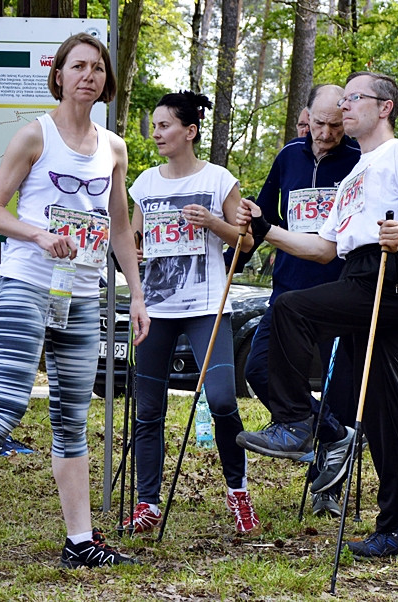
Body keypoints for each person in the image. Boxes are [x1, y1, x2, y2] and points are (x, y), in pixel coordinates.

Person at [0, 33, 149, 586]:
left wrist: (137, 294)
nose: (89, 76)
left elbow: (121, 227)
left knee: (72, 419)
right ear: (60, 75)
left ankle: (79, 541)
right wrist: (40, 235)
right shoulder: (35, 134)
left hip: (82, 292)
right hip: (28, 284)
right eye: (79, 66)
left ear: (106, 81)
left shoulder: (114, 148)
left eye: (98, 69)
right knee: (3, 409)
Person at [236, 71, 398, 560]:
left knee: (289, 308)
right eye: (342, 100)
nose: (344, 108)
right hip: (356, 274)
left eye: (354, 99)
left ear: (384, 107)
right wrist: (266, 229)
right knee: (381, 412)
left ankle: (294, 421)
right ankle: (397, 528)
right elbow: (323, 248)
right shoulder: (352, 177)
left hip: (390, 273)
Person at [122, 91, 258, 535]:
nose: (157, 133)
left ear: (190, 131)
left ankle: (237, 491)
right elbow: (134, 241)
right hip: (157, 308)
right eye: (156, 126)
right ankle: (148, 502)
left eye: (164, 126)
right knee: (148, 409)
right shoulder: (144, 184)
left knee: (221, 398)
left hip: (206, 307)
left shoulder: (220, 180)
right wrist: (137, 250)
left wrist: (214, 224)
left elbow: (247, 244)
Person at [238, 83, 361, 517]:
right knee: (258, 368)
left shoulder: (360, 160)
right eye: (319, 124)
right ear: (305, 116)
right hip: (288, 287)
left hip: (338, 291)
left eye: (335, 125)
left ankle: (327, 492)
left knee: (339, 389)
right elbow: (263, 215)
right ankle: (328, 432)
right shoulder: (289, 156)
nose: (326, 133)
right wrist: (238, 250)